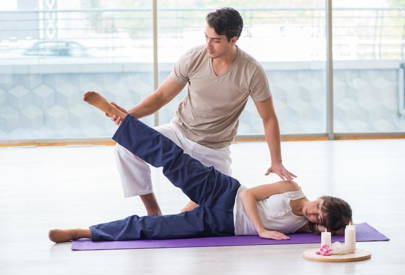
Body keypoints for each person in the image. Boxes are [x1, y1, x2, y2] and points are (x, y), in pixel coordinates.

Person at [48, 93, 352, 243]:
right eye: (317, 208)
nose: (311, 213)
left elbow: (342, 231)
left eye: (318, 218)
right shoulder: (292, 189)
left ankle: (84, 231)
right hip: (225, 192)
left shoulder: (308, 228)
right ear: (321, 197)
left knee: (156, 229)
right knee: (173, 158)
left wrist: (335, 225)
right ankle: (122, 118)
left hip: (221, 223)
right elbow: (249, 196)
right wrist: (261, 230)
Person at [105, 7, 296, 216]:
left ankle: (180, 217)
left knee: (218, 207)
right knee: (125, 146)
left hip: (214, 148)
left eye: (216, 40)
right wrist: (128, 116)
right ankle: (153, 211)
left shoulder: (251, 71)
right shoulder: (194, 57)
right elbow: (161, 96)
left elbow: (268, 118)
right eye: (206, 37)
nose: (208, 46)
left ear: (234, 39)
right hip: (179, 132)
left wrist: (276, 161)